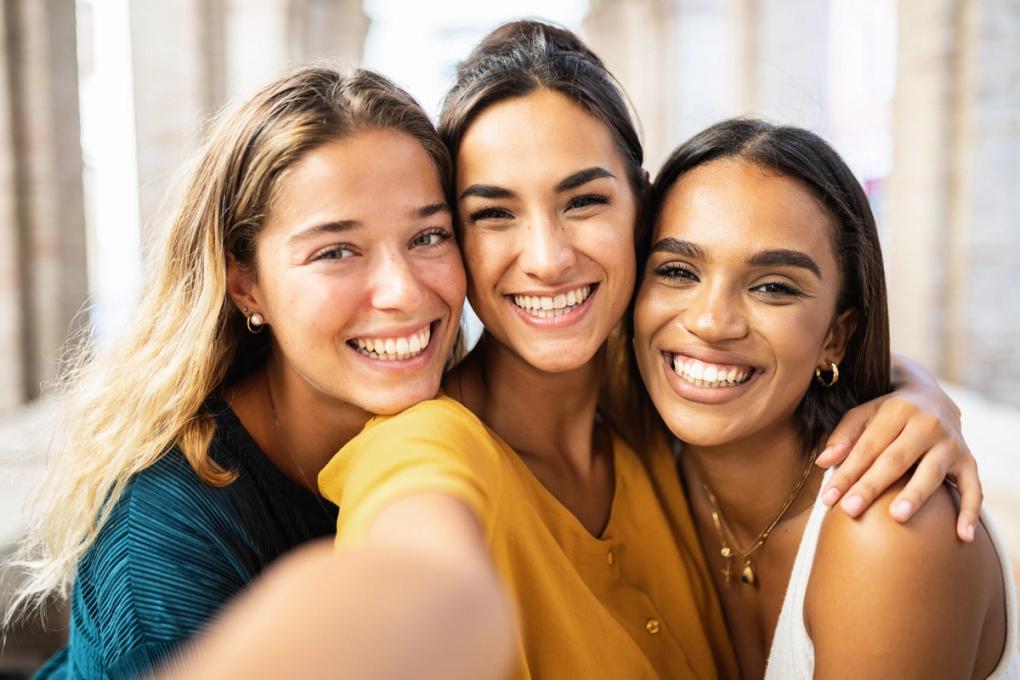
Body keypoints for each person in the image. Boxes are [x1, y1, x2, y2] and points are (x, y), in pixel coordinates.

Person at [316, 21, 986, 680]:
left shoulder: (648, 410)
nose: (548, 260)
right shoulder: (422, 450)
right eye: (493, 213)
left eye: (583, 201)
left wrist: (916, 392)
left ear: (641, 205)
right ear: (455, 239)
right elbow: (410, 571)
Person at [9, 65, 470, 678]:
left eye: (428, 236)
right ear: (245, 283)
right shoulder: (163, 539)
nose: (404, 292)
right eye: (336, 251)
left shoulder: (470, 418)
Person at [631, 118, 1019, 678]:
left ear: (835, 335)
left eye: (773, 287)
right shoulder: (643, 460)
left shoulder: (888, 532)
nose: (712, 322)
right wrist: (920, 387)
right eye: (676, 270)